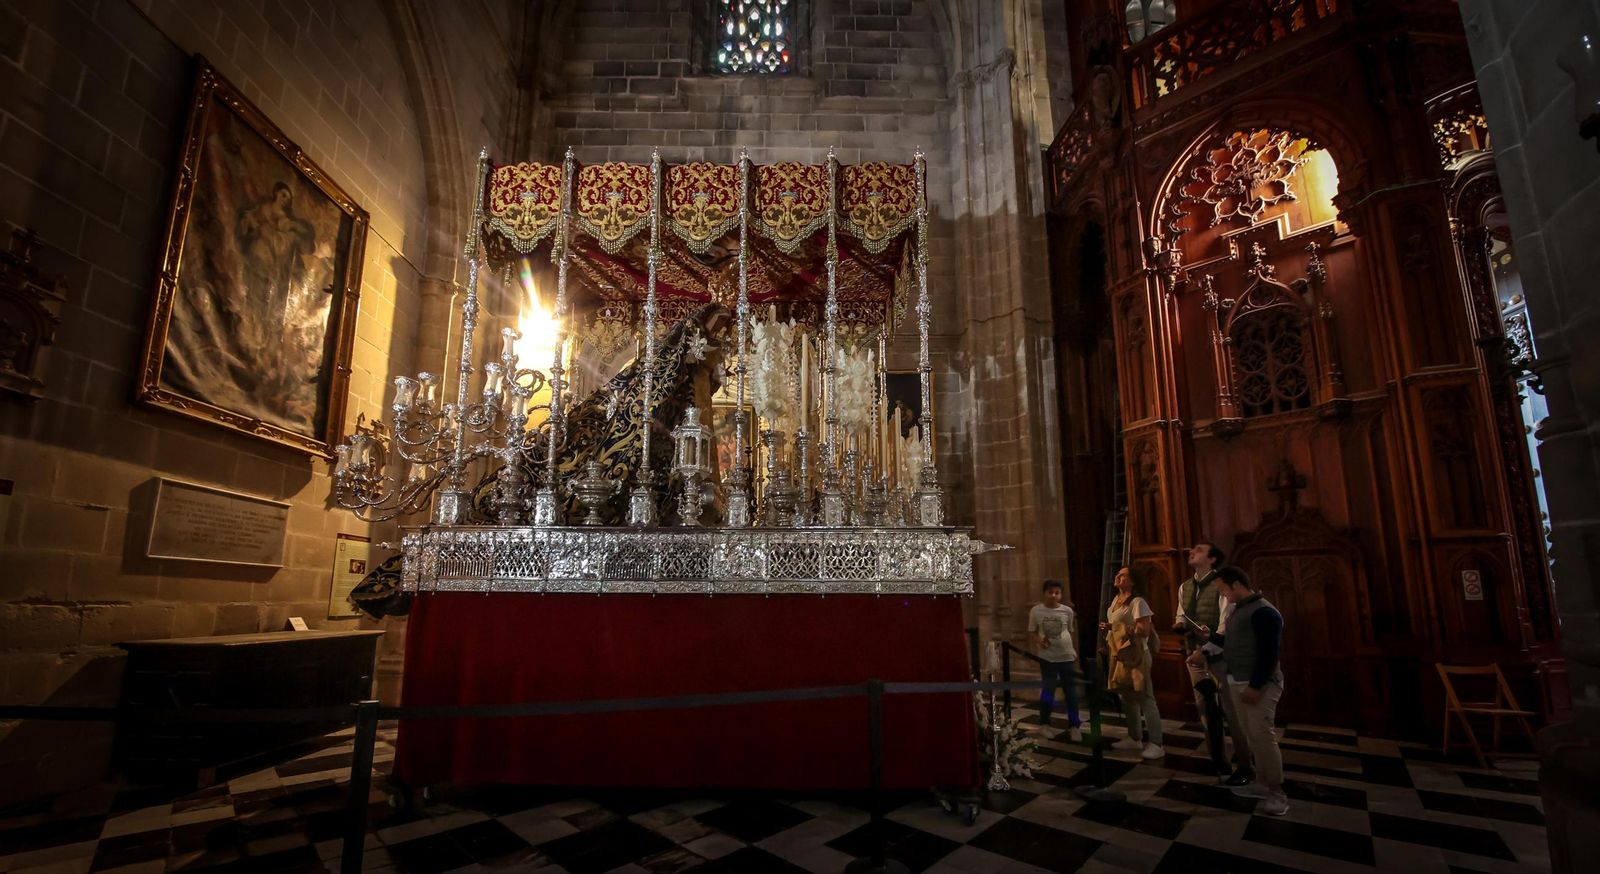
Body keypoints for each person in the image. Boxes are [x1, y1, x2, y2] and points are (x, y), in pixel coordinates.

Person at [1197, 566, 1289, 816]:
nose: (1223, 595)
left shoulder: (1264, 612)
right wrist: (1206, 646)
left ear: (1236, 584)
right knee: (1251, 736)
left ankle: (1277, 793)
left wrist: (1257, 686)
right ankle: (1261, 782)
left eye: (1223, 589)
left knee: (1262, 736)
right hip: (1238, 680)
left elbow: (1269, 654)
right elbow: (1231, 640)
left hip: (1258, 684)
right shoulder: (1239, 610)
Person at [1173, 541, 1252, 784]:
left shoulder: (1222, 584)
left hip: (1220, 656)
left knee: (1233, 711)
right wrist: (1180, 625)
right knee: (1206, 709)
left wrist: (1207, 648)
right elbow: (1181, 613)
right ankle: (1219, 760)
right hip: (1193, 653)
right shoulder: (1185, 586)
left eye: (1198, 550)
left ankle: (1246, 763)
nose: (1191, 552)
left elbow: (1226, 623)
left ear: (1212, 559)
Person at [1099, 566, 1164, 760]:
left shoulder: (1138, 602)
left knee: (1144, 696)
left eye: (1123, 575)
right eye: (1117, 573)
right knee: (1126, 695)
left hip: (1137, 655)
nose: (1117, 576)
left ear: (1133, 581)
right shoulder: (1116, 601)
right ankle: (1134, 737)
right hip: (1120, 654)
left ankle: (1156, 743)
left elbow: (1143, 630)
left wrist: (1114, 626)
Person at [1028, 579, 1083, 742]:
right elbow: (1032, 631)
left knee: (1070, 692)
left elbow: (1070, 631)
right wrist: (1040, 641)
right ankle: (1044, 724)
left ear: (1061, 594)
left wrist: (1072, 651)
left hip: (1066, 656)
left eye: (1057, 593)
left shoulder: (1067, 611)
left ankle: (1074, 726)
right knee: (1048, 692)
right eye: (1050, 592)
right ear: (1044, 593)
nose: (1053, 595)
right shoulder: (1036, 611)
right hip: (1048, 658)